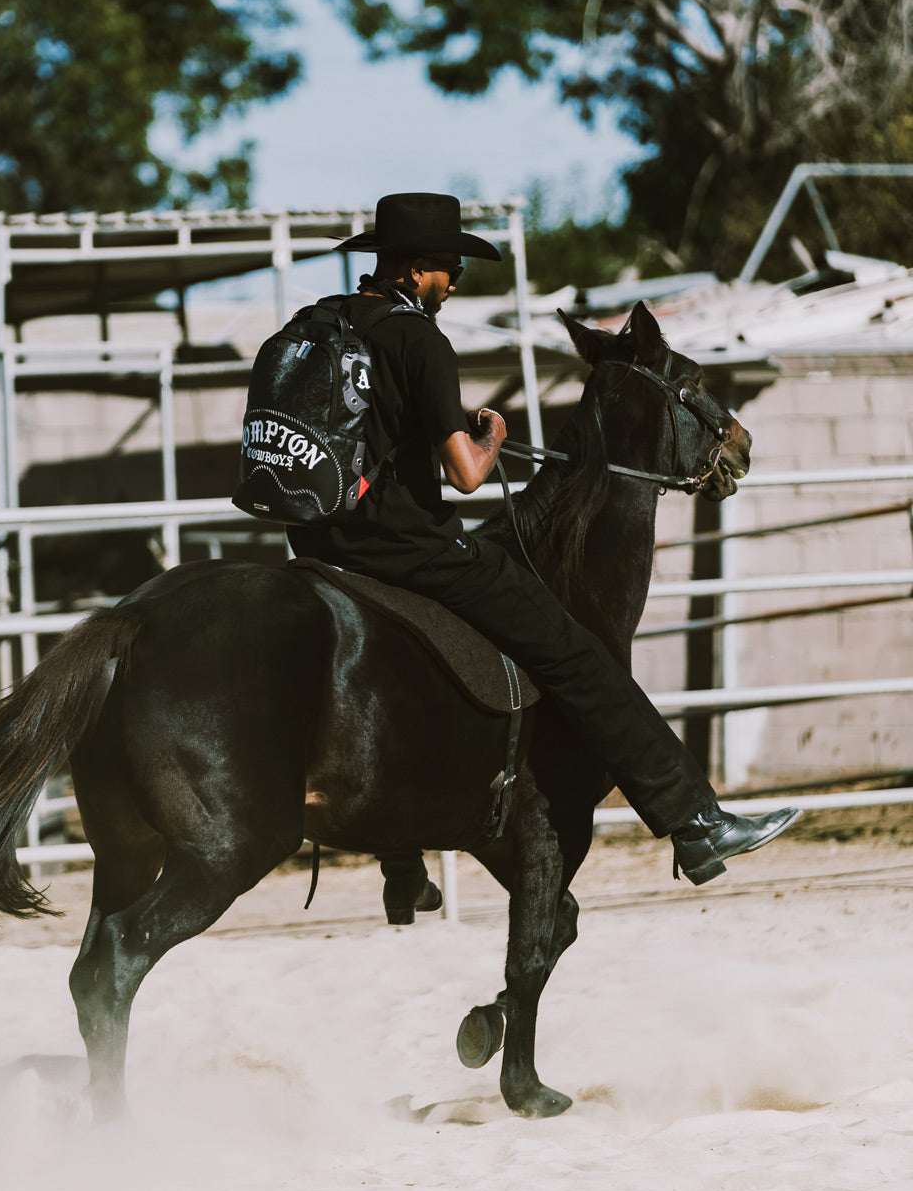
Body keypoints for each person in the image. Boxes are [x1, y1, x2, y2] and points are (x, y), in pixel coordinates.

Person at [287, 192, 800, 921]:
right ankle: (695, 819)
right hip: (407, 548)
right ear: (418, 267)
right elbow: (466, 474)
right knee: (579, 655)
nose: (455, 282)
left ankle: (402, 869)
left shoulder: (328, 324)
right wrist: (489, 437)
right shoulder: (417, 339)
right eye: (449, 268)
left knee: (395, 672)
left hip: (321, 544)